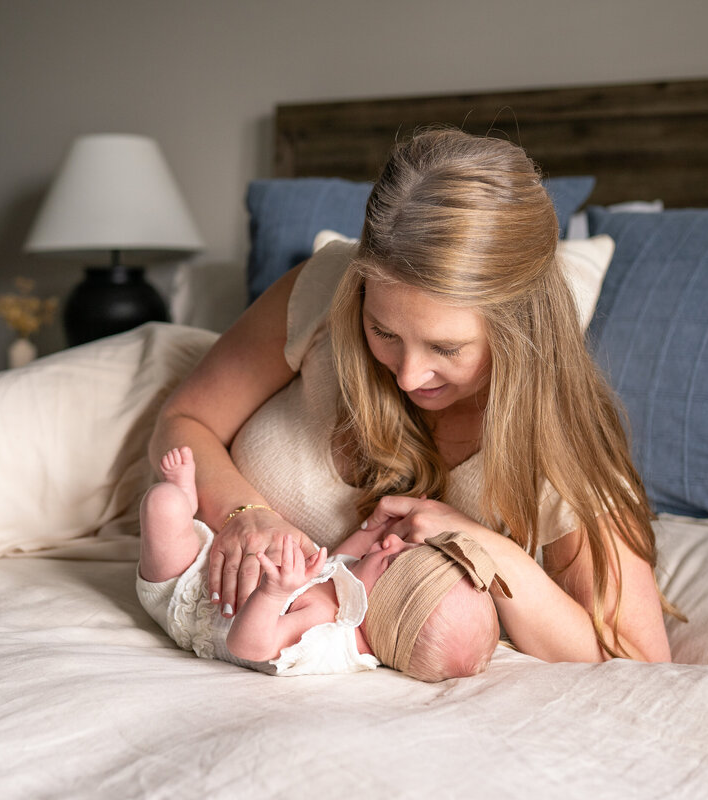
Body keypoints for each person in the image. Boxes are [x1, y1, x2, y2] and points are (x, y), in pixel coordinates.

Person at [151, 128, 679, 663]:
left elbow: (640, 662)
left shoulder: (557, 448)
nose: (407, 376)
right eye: (383, 332)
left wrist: (483, 546)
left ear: (519, 331)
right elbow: (183, 419)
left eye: (446, 347)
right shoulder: (325, 287)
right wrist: (244, 512)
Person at [137, 446, 509, 680]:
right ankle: (187, 508)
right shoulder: (356, 590)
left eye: (391, 558)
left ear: (382, 607)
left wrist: (271, 595)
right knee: (171, 509)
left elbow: (248, 646)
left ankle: (183, 502)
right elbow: (345, 553)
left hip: (184, 592)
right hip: (224, 562)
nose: (390, 542)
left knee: (163, 504)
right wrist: (382, 524)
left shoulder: (327, 636)